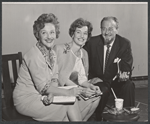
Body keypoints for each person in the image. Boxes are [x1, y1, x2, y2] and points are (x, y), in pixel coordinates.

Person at [13, 13, 88, 122]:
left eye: (52, 32)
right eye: (44, 33)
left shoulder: (52, 53)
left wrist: (52, 94)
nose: (49, 37)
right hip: (26, 100)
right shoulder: (33, 55)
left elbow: (54, 78)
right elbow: (43, 88)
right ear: (38, 35)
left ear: (56, 34)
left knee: (71, 104)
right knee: (69, 105)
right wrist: (69, 92)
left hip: (42, 96)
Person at [83, 16, 135, 121]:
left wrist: (124, 74)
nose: (107, 32)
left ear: (117, 29)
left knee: (129, 85)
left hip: (115, 80)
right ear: (100, 29)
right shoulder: (91, 42)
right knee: (103, 89)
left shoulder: (124, 44)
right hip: (98, 80)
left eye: (111, 28)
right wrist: (88, 79)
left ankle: (128, 117)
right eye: (104, 28)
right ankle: (98, 118)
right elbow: (81, 61)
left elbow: (126, 66)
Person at [54, 18, 102, 121]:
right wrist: (81, 90)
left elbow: (82, 79)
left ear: (88, 36)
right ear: (72, 34)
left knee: (96, 97)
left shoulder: (84, 53)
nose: (81, 36)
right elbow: (61, 78)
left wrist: (91, 86)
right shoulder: (61, 49)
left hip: (75, 89)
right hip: (60, 91)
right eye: (78, 32)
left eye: (85, 33)